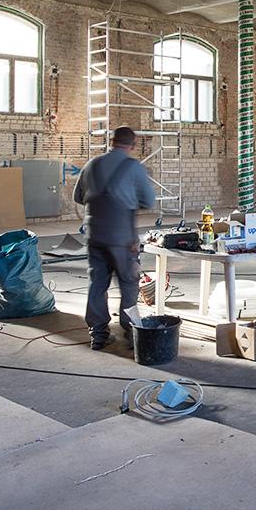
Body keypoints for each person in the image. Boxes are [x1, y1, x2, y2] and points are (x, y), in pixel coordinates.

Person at [73, 126, 157, 350]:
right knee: (129, 283)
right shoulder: (133, 167)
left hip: (95, 235)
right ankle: (131, 332)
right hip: (123, 238)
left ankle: (98, 334)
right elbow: (149, 201)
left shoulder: (92, 164)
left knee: (97, 283)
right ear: (132, 145)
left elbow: (78, 196)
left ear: (112, 141)